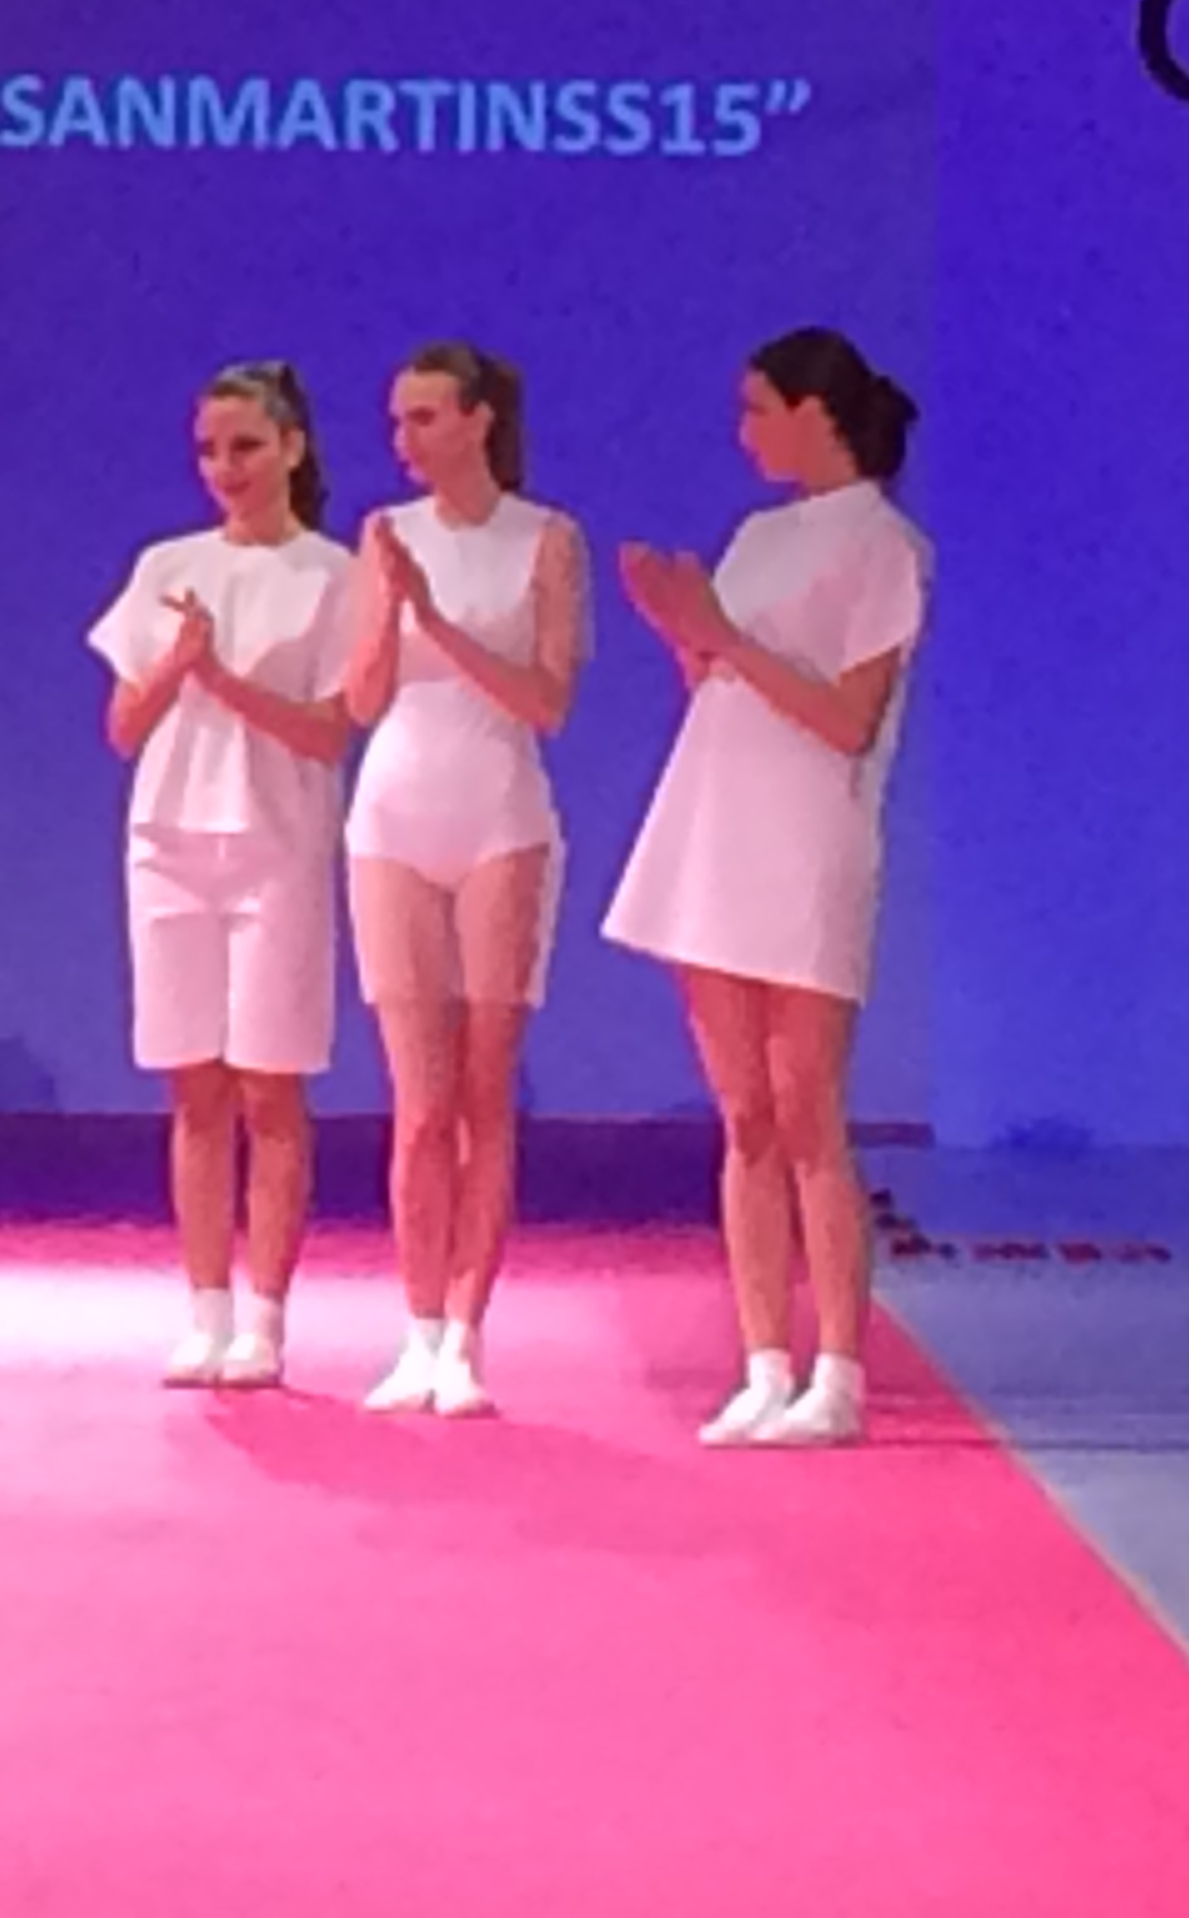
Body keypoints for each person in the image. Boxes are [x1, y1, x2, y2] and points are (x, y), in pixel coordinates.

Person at [605, 327, 928, 1448]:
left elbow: (847, 719)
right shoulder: (758, 534)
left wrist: (724, 641)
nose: (743, 432)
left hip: (808, 843)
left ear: (812, 412)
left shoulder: (884, 543)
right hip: (717, 828)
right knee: (743, 1116)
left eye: (757, 409)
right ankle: (761, 1363)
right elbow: (719, 681)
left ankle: (838, 1370)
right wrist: (681, 633)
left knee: (806, 1113)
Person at [89, 362, 354, 1391]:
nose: (226, 467)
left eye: (245, 446)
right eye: (209, 450)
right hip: (169, 841)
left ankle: (266, 1321)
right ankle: (205, 1310)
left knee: (270, 1085)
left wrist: (221, 678)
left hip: (276, 845)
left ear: (291, 446)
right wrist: (177, 663)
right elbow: (122, 727)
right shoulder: (167, 564)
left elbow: (328, 731)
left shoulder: (332, 574)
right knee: (193, 1085)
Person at [342, 344, 586, 1417]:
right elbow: (361, 701)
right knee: (419, 1103)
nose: (406, 440)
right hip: (392, 813)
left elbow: (548, 700)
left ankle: (468, 1337)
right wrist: (387, 612)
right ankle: (418, 1329)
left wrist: (437, 620)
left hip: (501, 818)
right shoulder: (385, 534)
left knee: (486, 1095)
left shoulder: (548, 539)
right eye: (398, 422)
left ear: (480, 420)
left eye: (426, 418)